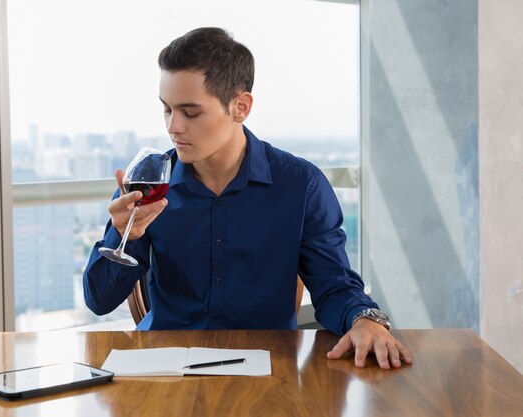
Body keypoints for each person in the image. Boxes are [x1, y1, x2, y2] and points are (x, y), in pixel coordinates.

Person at [84, 27, 412, 370]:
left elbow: (334, 287)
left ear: (240, 107)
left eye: (190, 112)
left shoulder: (301, 186)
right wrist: (123, 235)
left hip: (265, 370)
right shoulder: (150, 184)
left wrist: (365, 320)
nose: (173, 126)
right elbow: (99, 301)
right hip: (164, 368)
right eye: (167, 109)